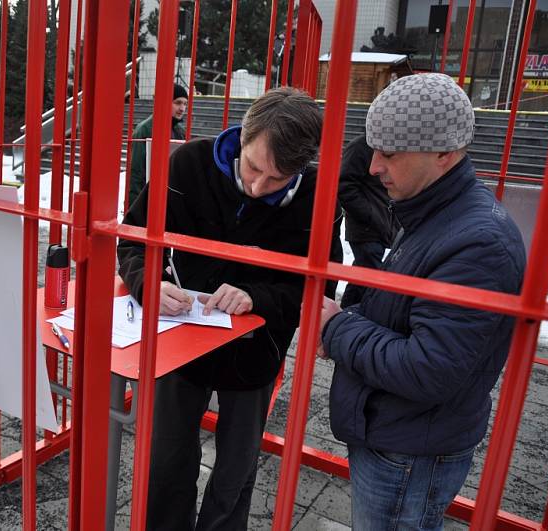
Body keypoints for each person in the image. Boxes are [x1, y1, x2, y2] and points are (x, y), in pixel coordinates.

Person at [118, 87, 342, 530]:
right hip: (179, 339)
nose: (258, 187)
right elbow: (134, 240)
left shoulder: (319, 195)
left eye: (276, 180)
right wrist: (149, 282)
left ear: (301, 168)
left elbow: (319, 286)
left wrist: (258, 295)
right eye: (254, 167)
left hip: (256, 348)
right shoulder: (189, 164)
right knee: (165, 459)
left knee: (236, 469)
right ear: (242, 137)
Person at [317, 73, 526, 530]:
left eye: (389, 153)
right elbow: (403, 313)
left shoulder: (478, 243)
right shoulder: (431, 212)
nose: (372, 167)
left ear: (444, 154)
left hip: (409, 449)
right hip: (399, 434)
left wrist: (337, 328)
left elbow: (428, 368)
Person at [338, 133, 400, 307]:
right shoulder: (361, 146)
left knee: (363, 273)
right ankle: (356, 313)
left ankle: (347, 312)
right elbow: (343, 185)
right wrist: (369, 215)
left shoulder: (382, 145)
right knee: (369, 274)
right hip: (366, 226)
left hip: (380, 223)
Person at [127, 83, 188, 209]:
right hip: (148, 198)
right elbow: (136, 173)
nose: (182, 108)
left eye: (185, 104)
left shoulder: (180, 131)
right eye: (177, 103)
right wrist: (136, 208)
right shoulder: (144, 130)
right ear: (165, 102)